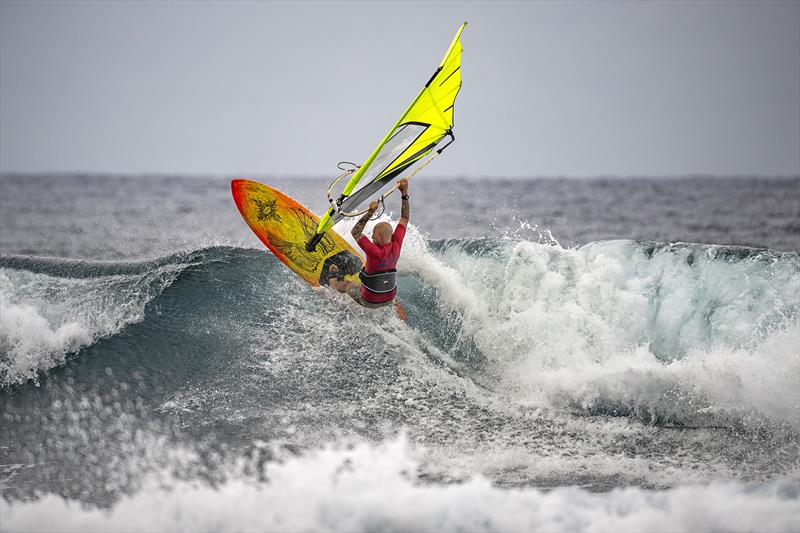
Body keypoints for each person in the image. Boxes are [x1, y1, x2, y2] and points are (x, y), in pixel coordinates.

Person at [329, 179, 410, 320]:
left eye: (373, 235)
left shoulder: (375, 252)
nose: (371, 237)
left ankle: (331, 281)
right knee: (383, 288)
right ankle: (395, 303)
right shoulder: (396, 244)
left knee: (349, 284)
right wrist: (404, 193)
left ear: (379, 236)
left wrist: (370, 212)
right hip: (388, 298)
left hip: (369, 301)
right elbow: (404, 218)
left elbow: (355, 232)